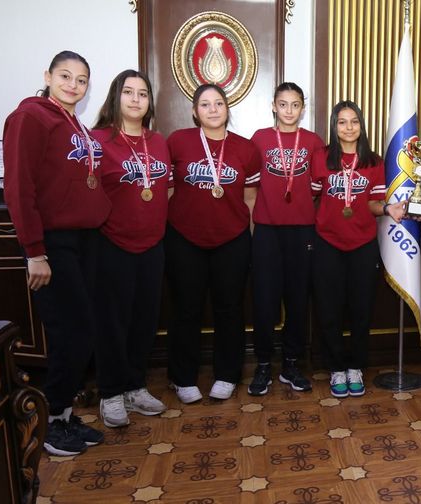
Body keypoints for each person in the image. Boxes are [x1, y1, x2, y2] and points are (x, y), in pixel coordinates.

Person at [3, 50, 109, 455]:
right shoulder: (30, 117)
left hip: (85, 242)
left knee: (83, 330)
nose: (73, 85)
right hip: (53, 242)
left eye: (81, 80)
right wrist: (35, 251)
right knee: (71, 331)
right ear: (47, 75)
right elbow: (19, 189)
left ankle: (64, 415)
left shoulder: (73, 123)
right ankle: (49, 424)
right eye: (65, 76)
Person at [165, 83, 260, 403]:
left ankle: (227, 374)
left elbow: (250, 199)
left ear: (227, 108)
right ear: (195, 111)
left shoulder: (246, 149)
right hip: (184, 239)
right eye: (205, 104)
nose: (213, 109)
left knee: (230, 309)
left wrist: (247, 239)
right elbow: (166, 191)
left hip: (231, 240)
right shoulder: (178, 141)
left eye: (218, 103)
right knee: (186, 310)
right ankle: (182, 377)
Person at [92, 70, 170, 426]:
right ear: (115, 97)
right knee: (113, 323)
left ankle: (135, 386)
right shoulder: (98, 141)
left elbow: (164, 189)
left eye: (143, 93)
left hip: (152, 245)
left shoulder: (158, 142)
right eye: (128, 92)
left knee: (144, 322)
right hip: (112, 245)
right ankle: (110, 393)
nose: (136, 99)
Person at [311, 101, 398, 398]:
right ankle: (336, 367)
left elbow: (374, 204)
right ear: (334, 127)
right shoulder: (321, 158)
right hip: (327, 243)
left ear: (362, 126)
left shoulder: (373, 162)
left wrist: (388, 207)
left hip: (362, 244)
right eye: (342, 122)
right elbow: (312, 198)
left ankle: (356, 366)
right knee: (329, 308)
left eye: (354, 122)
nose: (349, 128)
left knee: (362, 308)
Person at [247, 83, 325, 396]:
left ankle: (291, 362)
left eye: (295, 105)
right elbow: (249, 187)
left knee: (297, 298)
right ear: (273, 106)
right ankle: (264, 363)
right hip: (267, 230)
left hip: (302, 230)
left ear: (302, 108)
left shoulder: (314, 142)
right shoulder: (260, 139)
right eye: (283, 104)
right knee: (264, 299)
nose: (289, 110)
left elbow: (319, 188)